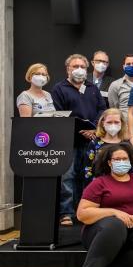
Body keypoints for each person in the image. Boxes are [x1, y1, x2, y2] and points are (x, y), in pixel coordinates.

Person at [52, 53, 106, 226]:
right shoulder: (59, 89)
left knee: (87, 177)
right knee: (67, 178)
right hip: (68, 140)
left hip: (91, 140)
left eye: (82, 67)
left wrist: (94, 129)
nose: (79, 70)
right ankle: (66, 213)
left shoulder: (92, 88)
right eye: (75, 66)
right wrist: (80, 130)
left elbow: (101, 110)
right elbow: (59, 114)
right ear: (68, 69)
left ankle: (83, 212)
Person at [83, 108, 129, 185]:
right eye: (109, 122)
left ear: (122, 123)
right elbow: (88, 169)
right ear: (103, 123)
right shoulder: (95, 143)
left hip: (122, 185)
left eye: (116, 122)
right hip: (99, 185)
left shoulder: (126, 144)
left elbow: (132, 169)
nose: (113, 125)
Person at [107, 54, 133, 124]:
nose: (131, 66)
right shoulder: (115, 85)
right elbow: (114, 109)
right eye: (128, 64)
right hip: (124, 128)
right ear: (124, 67)